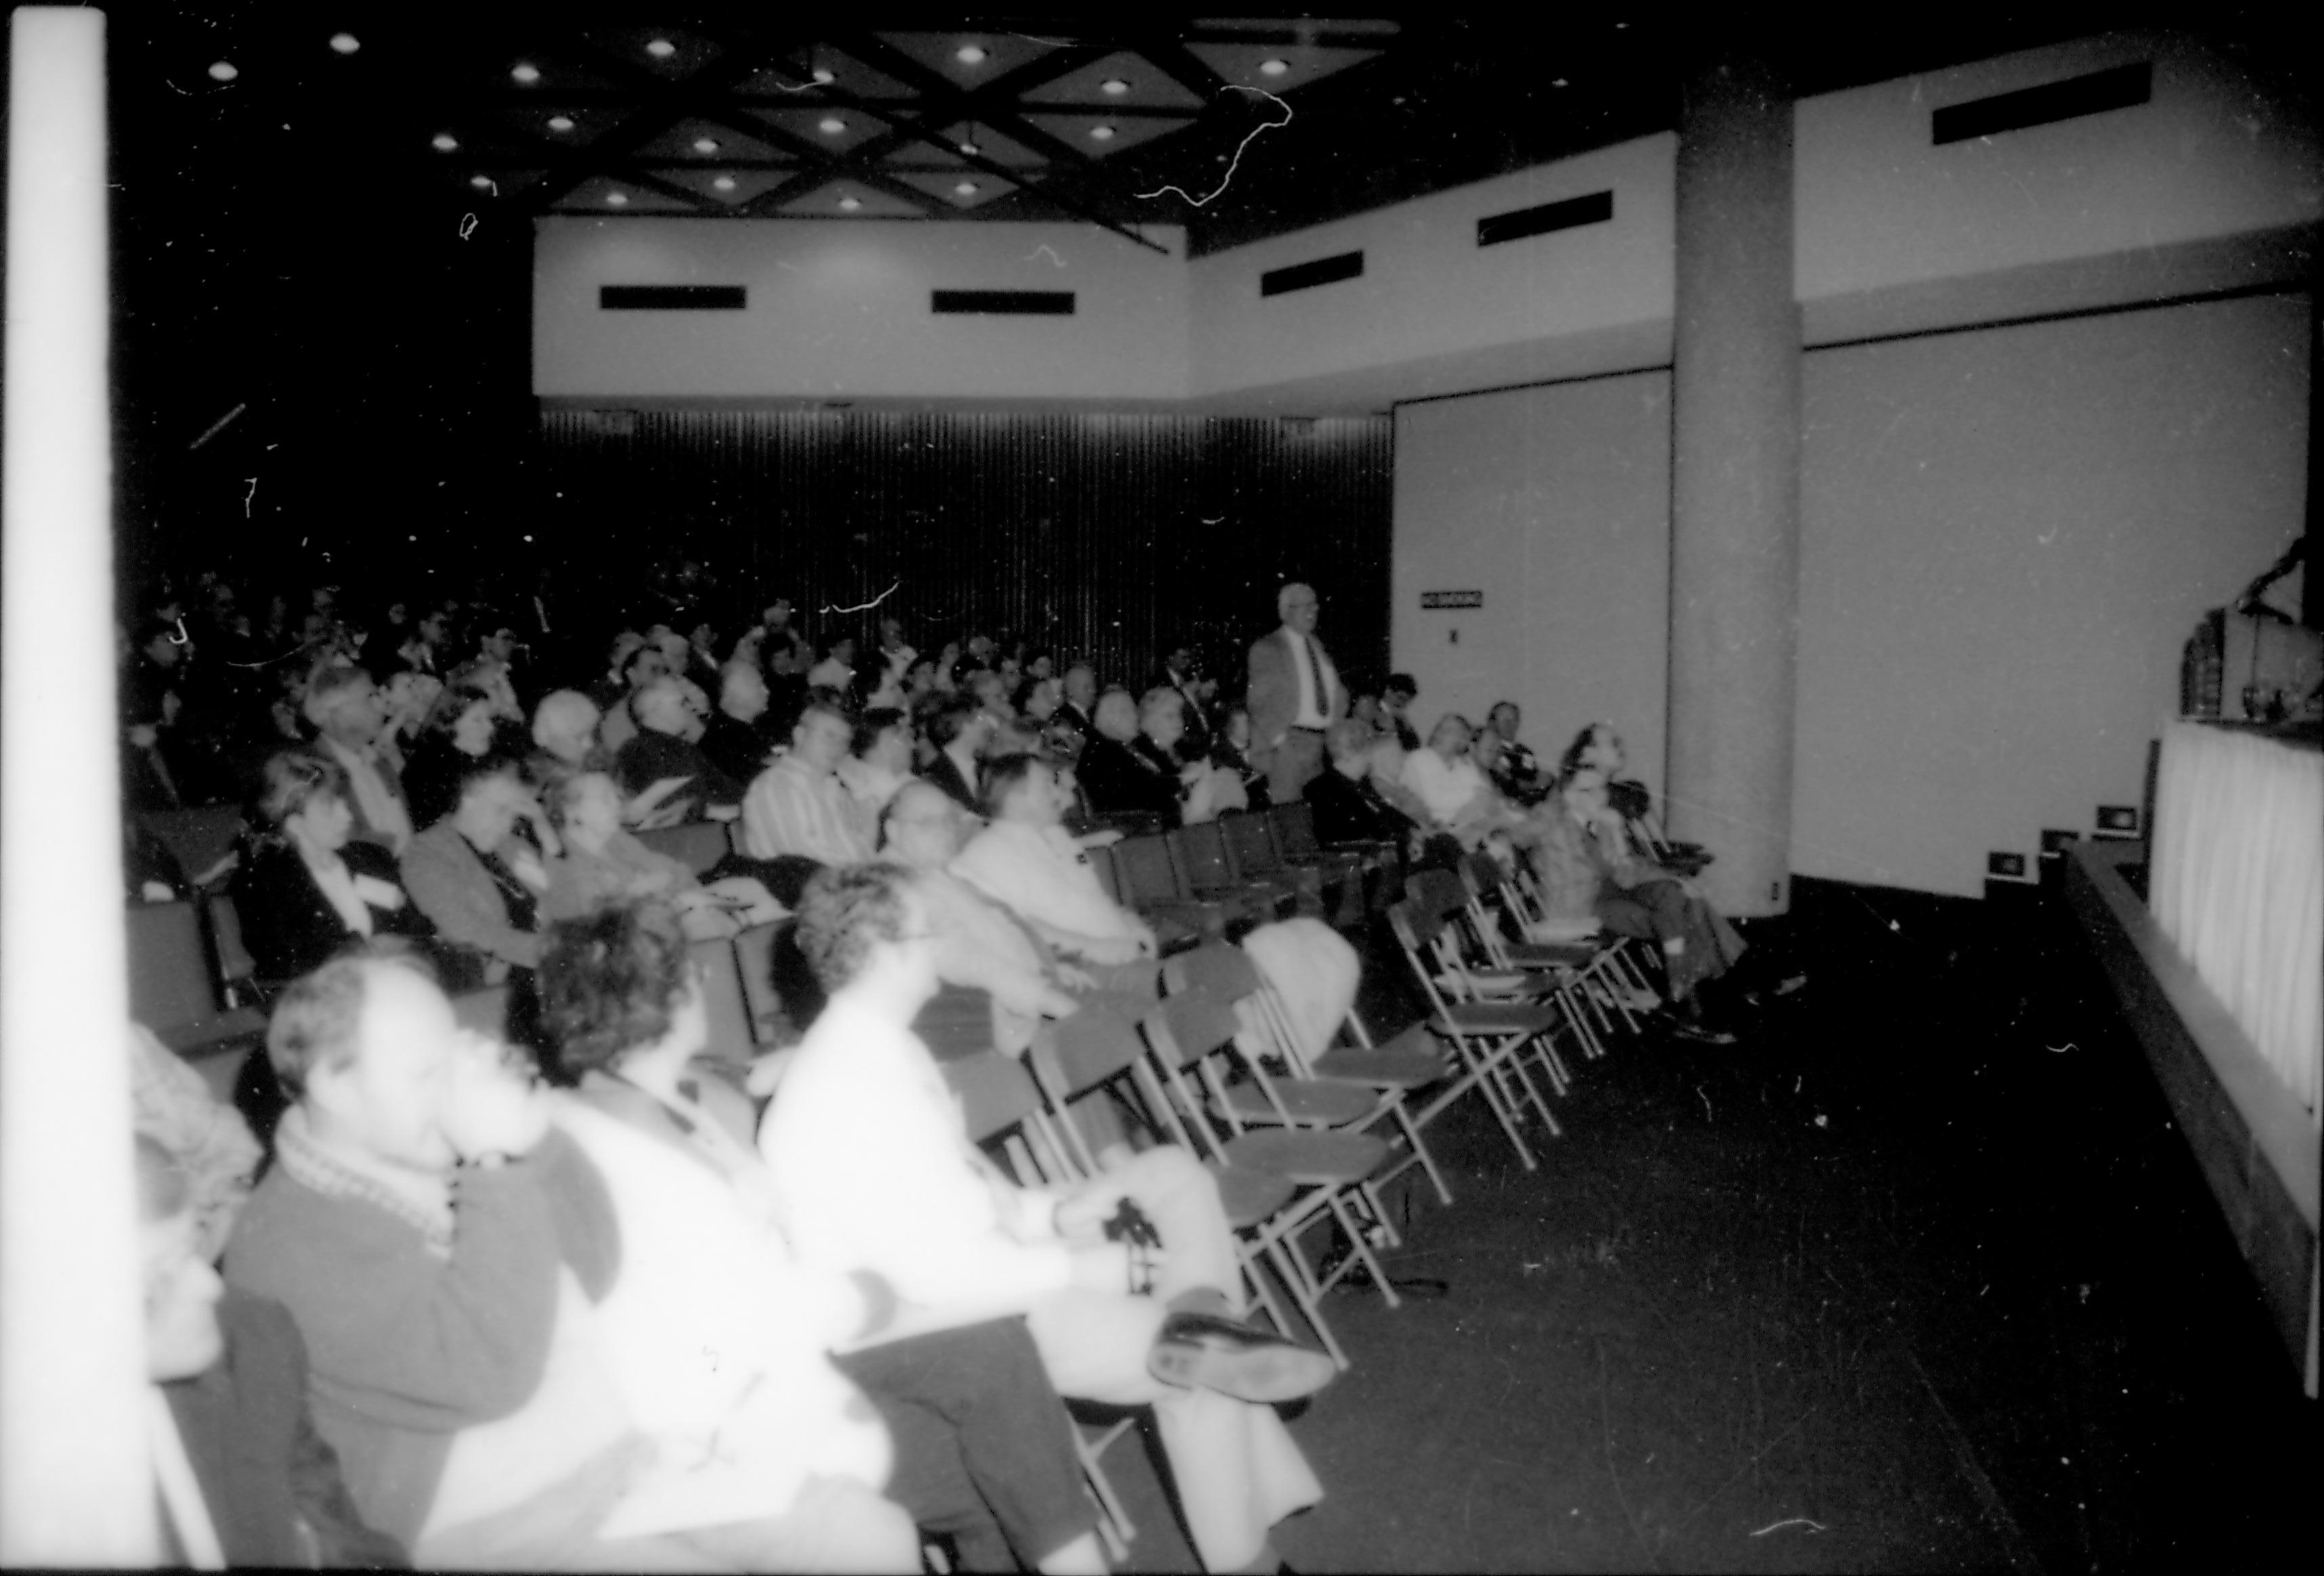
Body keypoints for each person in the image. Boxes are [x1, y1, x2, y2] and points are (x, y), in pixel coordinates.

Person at [223, 946, 914, 1571]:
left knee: (869, 1537)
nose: (452, 1093)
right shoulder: (285, 1242)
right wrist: (496, 1160)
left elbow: (596, 1260)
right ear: (335, 1086)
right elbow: (487, 1374)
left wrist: (532, 1138)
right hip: (498, 1529)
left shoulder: (417, 1148)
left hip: (622, 1466)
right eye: (425, 1073)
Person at [763, 863, 1334, 1575]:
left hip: (995, 1263)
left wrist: (1057, 1210)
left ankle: (1201, 1318)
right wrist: (1077, 1262)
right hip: (962, 1327)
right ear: (886, 950)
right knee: (1196, 1373)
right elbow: (936, 1276)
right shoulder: (849, 1089)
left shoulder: (886, 1045)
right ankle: (1239, 1517)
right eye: (929, 930)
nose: (943, 943)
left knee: (1176, 1177)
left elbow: (968, 1205)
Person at [540, 901, 1104, 1575]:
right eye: (690, 974)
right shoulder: (615, 1145)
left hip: (803, 1359)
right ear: (665, 997)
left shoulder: (674, 1106)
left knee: (991, 1398)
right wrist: (862, 1294)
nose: (704, 986)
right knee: (991, 1388)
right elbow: (723, 1324)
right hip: (729, 1416)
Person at [139, 1133, 410, 1567]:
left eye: (193, 1247)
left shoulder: (252, 1342)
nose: (208, 1285)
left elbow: (337, 1538)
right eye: (156, 1281)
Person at [881, 782, 1155, 1057]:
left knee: (1152, 1017)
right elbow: (972, 961)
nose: (946, 831)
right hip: (1016, 1019)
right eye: (928, 822)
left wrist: (1047, 963)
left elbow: (1003, 929)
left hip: (1043, 989)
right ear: (893, 831)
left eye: (949, 820)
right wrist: (1049, 998)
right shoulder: (896, 891)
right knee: (1145, 1030)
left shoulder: (939, 872)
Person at [1529, 766, 1746, 1044]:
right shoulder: (1559, 826)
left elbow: (1627, 869)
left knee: (1675, 896)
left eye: (1600, 789)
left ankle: (1685, 996)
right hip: (1580, 907)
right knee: (1674, 912)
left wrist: (1674, 878)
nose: (1599, 796)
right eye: (1589, 790)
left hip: (1611, 891)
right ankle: (1705, 993)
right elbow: (1604, 871)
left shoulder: (1598, 823)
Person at [234, 750, 437, 987]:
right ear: (295, 824)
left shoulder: (373, 859)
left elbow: (422, 931)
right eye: (329, 806)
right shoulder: (264, 884)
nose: (347, 814)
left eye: (343, 801)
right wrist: (367, 952)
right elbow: (291, 966)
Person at [953, 754, 1158, 967]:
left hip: (1127, 953)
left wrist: (1134, 926)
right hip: (1084, 968)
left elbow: (1096, 901)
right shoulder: (989, 854)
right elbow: (1019, 931)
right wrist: (1105, 950)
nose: (1058, 794)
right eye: (1046, 786)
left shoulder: (1057, 836)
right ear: (1015, 799)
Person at [540, 768, 781, 938]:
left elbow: (673, 870)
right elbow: (608, 926)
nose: (617, 804)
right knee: (705, 918)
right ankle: (743, 925)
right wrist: (676, 901)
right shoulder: (565, 861)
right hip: (630, 944)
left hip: (667, 911)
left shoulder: (615, 838)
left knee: (750, 887)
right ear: (572, 812)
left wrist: (685, 895)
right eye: (605, 799)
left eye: (616, 796)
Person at [400, 756, 556, 985]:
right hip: (494, 984)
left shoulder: (514, 846)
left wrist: (545, 832)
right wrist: (548, 950)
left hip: (548, 970)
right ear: (468, 799)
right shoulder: (425, 853)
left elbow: (557, 899)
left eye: (515, 814)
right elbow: (467, 932)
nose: (508, 824)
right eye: (501, 810)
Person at [740, 695, 876, 871]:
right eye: (829, 736)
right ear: (800, 735)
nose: (838, 748)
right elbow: (804, 864)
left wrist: (862, 793)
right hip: (813, 890)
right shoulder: (777, 786)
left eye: (844, 742)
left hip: (851, 885)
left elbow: (865, 848)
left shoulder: (832, 787)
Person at [1245, 582, 1343, 804]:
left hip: (1319, 744)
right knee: (1289, 816)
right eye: (1307, 606)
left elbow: (1335, 692)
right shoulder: (1268, 648)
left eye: (1315, 605)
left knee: (1314, 817)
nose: (1314, 611)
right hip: (1290, 742)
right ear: (1288, 610)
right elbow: (1259, 703)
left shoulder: (1317, 647)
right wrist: (1281, 742)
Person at [303, 663, 416, 856]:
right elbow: (348, 842)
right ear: (338, 713)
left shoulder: (375, 756)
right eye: (370, 697)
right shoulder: (316, 770)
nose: (382, 704)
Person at [614, 676, 746, 827]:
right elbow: (677, 808)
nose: (690, 707)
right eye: (682, 703)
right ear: (656, 711)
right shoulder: (648, 751)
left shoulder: (668, 747)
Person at [1076, 690, 1186, 828]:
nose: (1135, 716)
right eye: (1128, 712)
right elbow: (1136, 791)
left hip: (1164, 814)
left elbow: (1168, 770)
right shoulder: (1100, 753)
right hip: (1137, 824)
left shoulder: (1137, 745)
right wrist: (1178, 783)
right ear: (1112, 717)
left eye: (1133, 710)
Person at [699, 659, 781, 786]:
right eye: (758, 685)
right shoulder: (725, 741)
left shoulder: (732, 730)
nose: (766, 691)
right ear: (736, 693)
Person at [921, 691, 997, 817]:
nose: (989, 726)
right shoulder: (935, 775)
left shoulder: (988, 767)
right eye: (982, 718)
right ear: (964, 724)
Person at [838, 706, 919, 820]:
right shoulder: (846, 790)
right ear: (885, 741)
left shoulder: (915, 786)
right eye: (906, 737)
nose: (913, 745)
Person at [1482, 701, 1551, 806]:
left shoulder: (1525, 752)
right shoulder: (1490, 751)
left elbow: (1535, 779)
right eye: (1503, 719)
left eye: (1512, 719)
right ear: (1493, 723)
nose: (1508, 723)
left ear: (1518, 723)